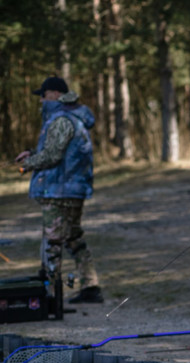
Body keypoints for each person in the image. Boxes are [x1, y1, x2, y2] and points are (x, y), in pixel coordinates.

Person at [16, 76, 102, 304]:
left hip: (59, 191)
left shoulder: (61, 119)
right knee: (73, 237)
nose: (41, 101)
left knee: (52, 242)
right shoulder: (74, 116)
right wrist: (32, 153)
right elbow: (59, 151)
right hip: (73, 189)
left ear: (55, 94)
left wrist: (27, 165)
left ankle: (51, 295)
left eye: (43, 96)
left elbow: (53, 156)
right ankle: (90, 286)